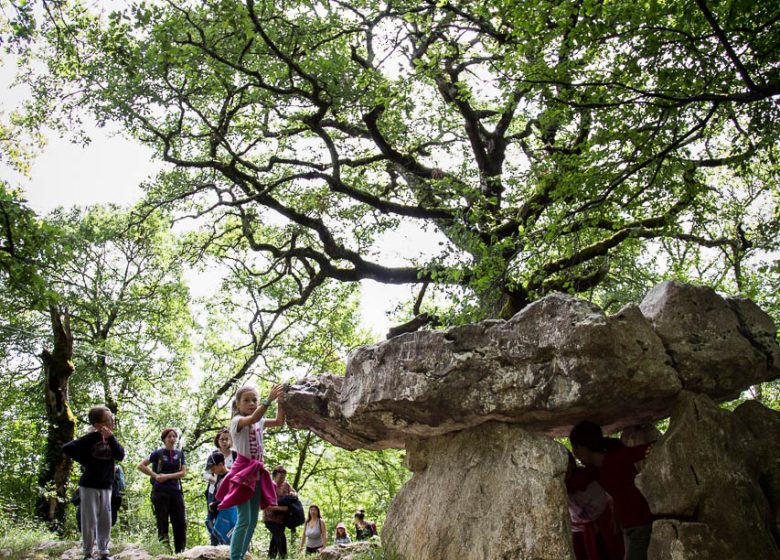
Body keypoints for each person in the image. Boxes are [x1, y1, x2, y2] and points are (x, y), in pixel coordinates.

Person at [215, 384, 285, 560]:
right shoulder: (237, 421)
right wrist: (269, 400)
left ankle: (241, 554)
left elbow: (278, 422)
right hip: (242, 473)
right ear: (237, 404)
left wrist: (282, 401)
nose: (252, 403)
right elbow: (254, 418)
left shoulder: (258, 420)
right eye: (246, 400)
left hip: (257, 473)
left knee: (253, 521)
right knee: (244, 519)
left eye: (255, 400)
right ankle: (235, 557)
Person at [569, 421, 654, 560]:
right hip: (627, 527)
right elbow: (574, 483)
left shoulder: (617, 457)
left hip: (642, 523)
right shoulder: (595, 469)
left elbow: (647, 449)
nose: (575, 454)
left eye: (575, 448)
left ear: (583, 447)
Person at [63, 405, 125, 560]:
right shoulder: (90, 438)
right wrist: (86, 462)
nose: (112, 422)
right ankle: (88, 553)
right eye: (109, 420)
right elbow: (67, 448)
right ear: (98, 425)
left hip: (106, 485)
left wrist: (111, 438)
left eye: (112, 419)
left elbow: (120, 455)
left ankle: (104, 551)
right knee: (89, 519)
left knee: (106, 519)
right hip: (89, 485)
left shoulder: (112, 439)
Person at [137, 428, 188, 553]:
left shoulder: (180, 454)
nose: (172, 439)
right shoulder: (158, 453)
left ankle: (180, 551)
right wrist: (155, 476)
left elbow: (183, 472)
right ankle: (165, 550)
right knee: (162, 521)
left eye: (174, 436)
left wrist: (166, 476)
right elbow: (141, 465)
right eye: (169, 436)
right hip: (160, 492)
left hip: (176, 491)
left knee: (180, 522)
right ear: (164, 439)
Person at [565, 453, 624, 560]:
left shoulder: (587, 475)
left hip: (603, 521)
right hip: (578, 530)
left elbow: (609, 493)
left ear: (572, 463)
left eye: (567, 463)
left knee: (610, 553)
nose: (565, 468)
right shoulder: (561, 487)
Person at [205, 429, 236, 545]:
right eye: (221, 439)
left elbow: (231, 495)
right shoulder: (218, 474)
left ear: (221, 465)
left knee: (227, 529)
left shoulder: (229, 475)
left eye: (214, 469)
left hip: (229, 509)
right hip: (217, 500)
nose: (213, 471)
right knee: (210, 522)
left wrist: (216, 504)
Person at [263, 465, 297, 558]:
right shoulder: (268, 485)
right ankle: (284, 557)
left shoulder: (286, 485)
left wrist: (293, 494)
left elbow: (295, 493)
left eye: (284, 476)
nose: (282, 478)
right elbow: (265, 505)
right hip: (270, 519)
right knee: (281, 537)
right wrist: (281, 508)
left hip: (282, 520)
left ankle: (271, 557)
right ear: (274, 475)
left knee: (275, 539)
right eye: (280, 476)